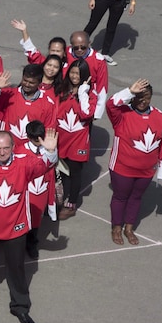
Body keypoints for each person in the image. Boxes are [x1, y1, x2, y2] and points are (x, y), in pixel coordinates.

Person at [0, 129, 58, 323]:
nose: (1, 152)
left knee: (17, 269)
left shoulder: (23, 164)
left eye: (5, 148)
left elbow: (44, 166)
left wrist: (50, 152)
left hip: (15, 228)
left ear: (13, 148)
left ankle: (20, 306)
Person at [105, 79, 162, 245]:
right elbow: (111, 104)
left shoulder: (159, 116)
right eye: (138, 96)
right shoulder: (122, 114)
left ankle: (129, 227)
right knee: (120, 197)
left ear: (151, 97)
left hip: (146, 171)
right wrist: (129, 91)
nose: (142, 100)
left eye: (146, 97)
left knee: (136, 197)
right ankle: (116, 227)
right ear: (133, 97)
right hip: (122, 168)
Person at [54, 58, 95, 219]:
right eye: (72, 72)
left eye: (78, 73)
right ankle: (57, 200)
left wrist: (82, 92)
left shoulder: (90, 96)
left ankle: (71, 204)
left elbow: (86, 113)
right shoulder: (61, 91)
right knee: (60, 172)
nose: (74, 76)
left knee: (75, 173)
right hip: (60, 139)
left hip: (78, 142)